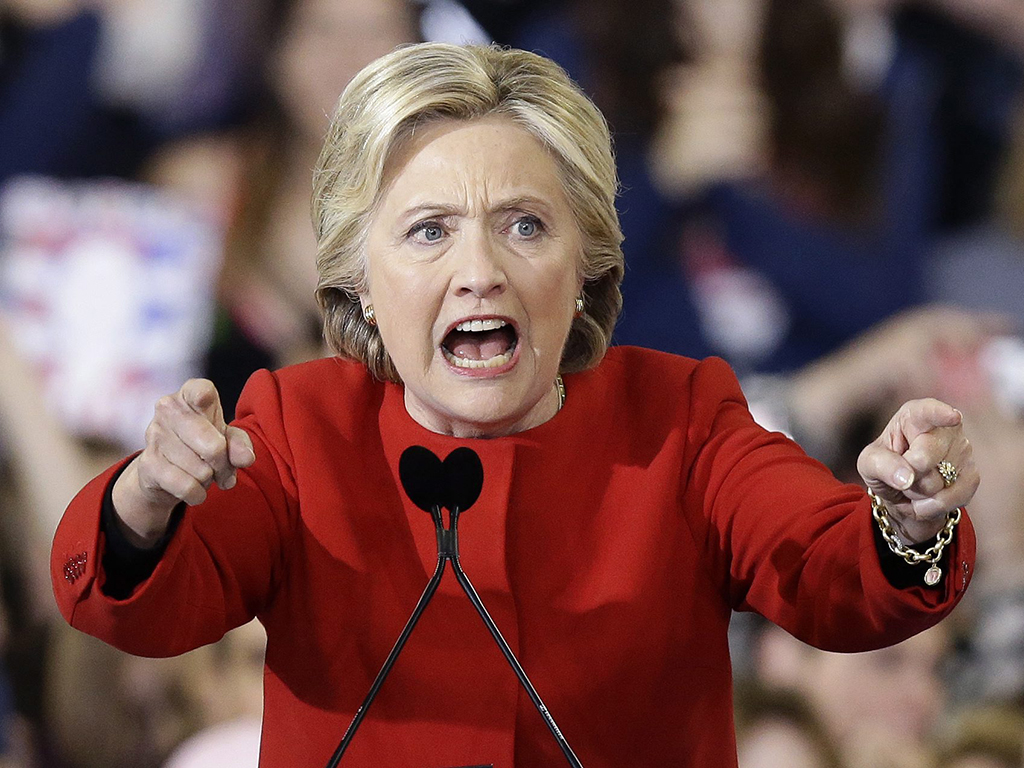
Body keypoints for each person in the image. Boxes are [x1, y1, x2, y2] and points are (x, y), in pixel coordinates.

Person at [50, 43, 979, 767]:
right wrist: (146, 498)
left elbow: (830, 571)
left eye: (525, 225)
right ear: (361, 279)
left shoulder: (682, 422)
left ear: (586, 266)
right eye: (429, 232)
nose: (480, 272)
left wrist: (908, 520)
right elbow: (142, 612)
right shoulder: (300, 430)